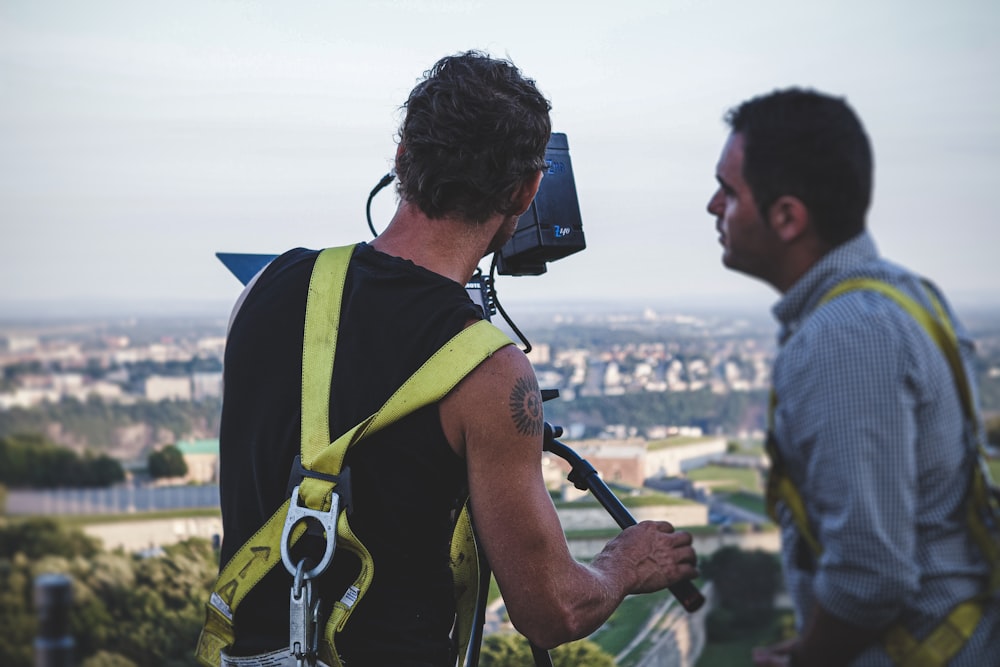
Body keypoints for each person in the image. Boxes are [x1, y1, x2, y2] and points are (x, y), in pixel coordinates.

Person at [206, 51, 699, 667]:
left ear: (402, 160)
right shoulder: (489, 373)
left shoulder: (265, 288)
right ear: (526, 190)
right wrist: (622, 564)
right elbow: (551, 610)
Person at [706, 87, 999, 666]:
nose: (714, 207)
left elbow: (871, 574)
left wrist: (807, 659)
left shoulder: (842, 336)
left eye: (729, 191)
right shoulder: (902, 293)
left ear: (787, 217)